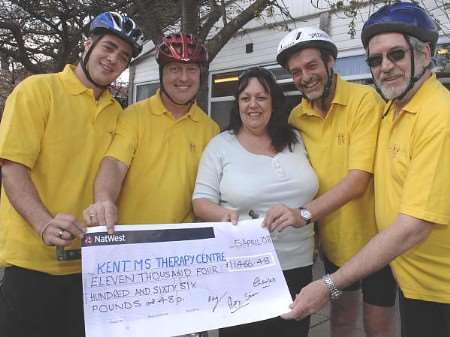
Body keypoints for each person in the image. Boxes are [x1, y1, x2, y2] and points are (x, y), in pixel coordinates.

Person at [282, 3, 450, 337]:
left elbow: (410, 224)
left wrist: (327, 283)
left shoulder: (437, 116)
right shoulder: (394, 110)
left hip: (433, 282)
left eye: (397, 55)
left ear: (426, 53)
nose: (386, 67)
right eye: (376, 59)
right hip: (405, 271)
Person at [0, 11, 143, 337]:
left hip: (91, 266)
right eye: (108, 47)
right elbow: (12, 167)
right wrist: (43, 223)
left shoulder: (117, 113)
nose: (113, 59)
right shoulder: (37, 90)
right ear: (88, 43)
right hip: (32, 262)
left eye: (123, 56)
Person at [268, 27, 397, 337]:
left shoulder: (364, 100)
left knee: (378, 327)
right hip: (335, 245)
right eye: (296, 71)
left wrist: (304, 214)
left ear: (329, 62)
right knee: (340, 323)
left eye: (312, 66)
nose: (304, 76)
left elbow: (358, 180)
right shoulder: (295, 117)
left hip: (377, 240)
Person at [192, 67, 319, 337]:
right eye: (245, 97)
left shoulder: (296, 140)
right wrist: (223, 215)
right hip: (243, 268)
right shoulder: (220, 145)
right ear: (237, 104)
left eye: (261, 97)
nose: (253, 105)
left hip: (298, 265)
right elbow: (201, 201)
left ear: (273, 101)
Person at [83, 32, 219, 230]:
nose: (183, 78)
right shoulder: (133, 115)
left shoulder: (210, 129)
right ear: (161, 74)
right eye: (174, 69)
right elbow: (114, 163)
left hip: (183, 246)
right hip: (133, 242)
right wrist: (104, 199)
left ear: (200, 74)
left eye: (191, 69)